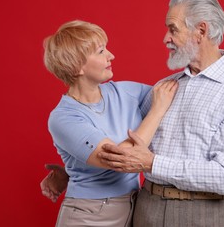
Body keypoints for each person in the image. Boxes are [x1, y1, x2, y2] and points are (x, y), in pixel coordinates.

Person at [97, 0, 224, 226]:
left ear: (201, 31)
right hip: (148, 208)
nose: (166, 38)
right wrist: (71, 172)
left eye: (173, 29)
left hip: (207, 215)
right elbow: (117, 139)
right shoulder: (164, 88)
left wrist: (152, 163)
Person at [42, 20, 178, 226]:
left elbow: (176, 93)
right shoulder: (63, 118)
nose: (111, 55)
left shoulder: (125, 92)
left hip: (134, 208)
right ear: (77, 65)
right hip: (88, 216)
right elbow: (120, 160)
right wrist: (157, 110)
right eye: (101, 51)